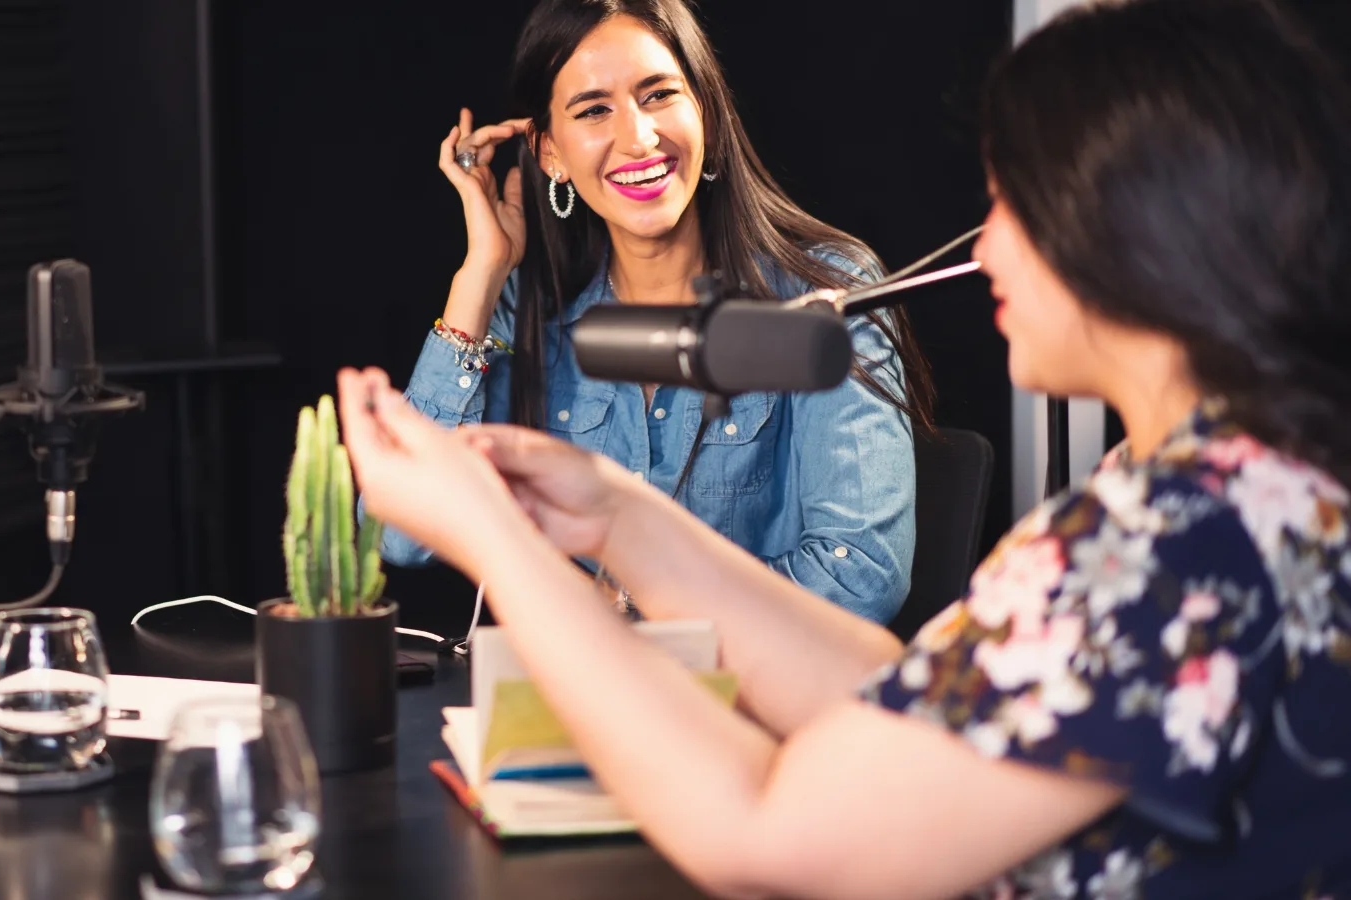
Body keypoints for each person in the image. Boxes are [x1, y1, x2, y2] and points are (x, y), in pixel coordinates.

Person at [336, 0, 1351, 894]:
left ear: (1137, 231)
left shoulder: (1162, 553)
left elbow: (766, 836)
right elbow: (884, 679)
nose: (987, 246)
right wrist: (611, 512)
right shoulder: (1247, 492)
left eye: (1014, 205)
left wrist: (501, 542)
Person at [387, 0, 936, 623]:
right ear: (550, 153)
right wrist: (482, 272)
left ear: (707, 113)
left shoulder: (827, 292)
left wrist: (631, 608)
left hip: (750, 686)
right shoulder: (530, 310)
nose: (639, 138)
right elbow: (403, 534)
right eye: (594, 110)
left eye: (658, 95)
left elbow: (861, 574)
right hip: (582, 684)